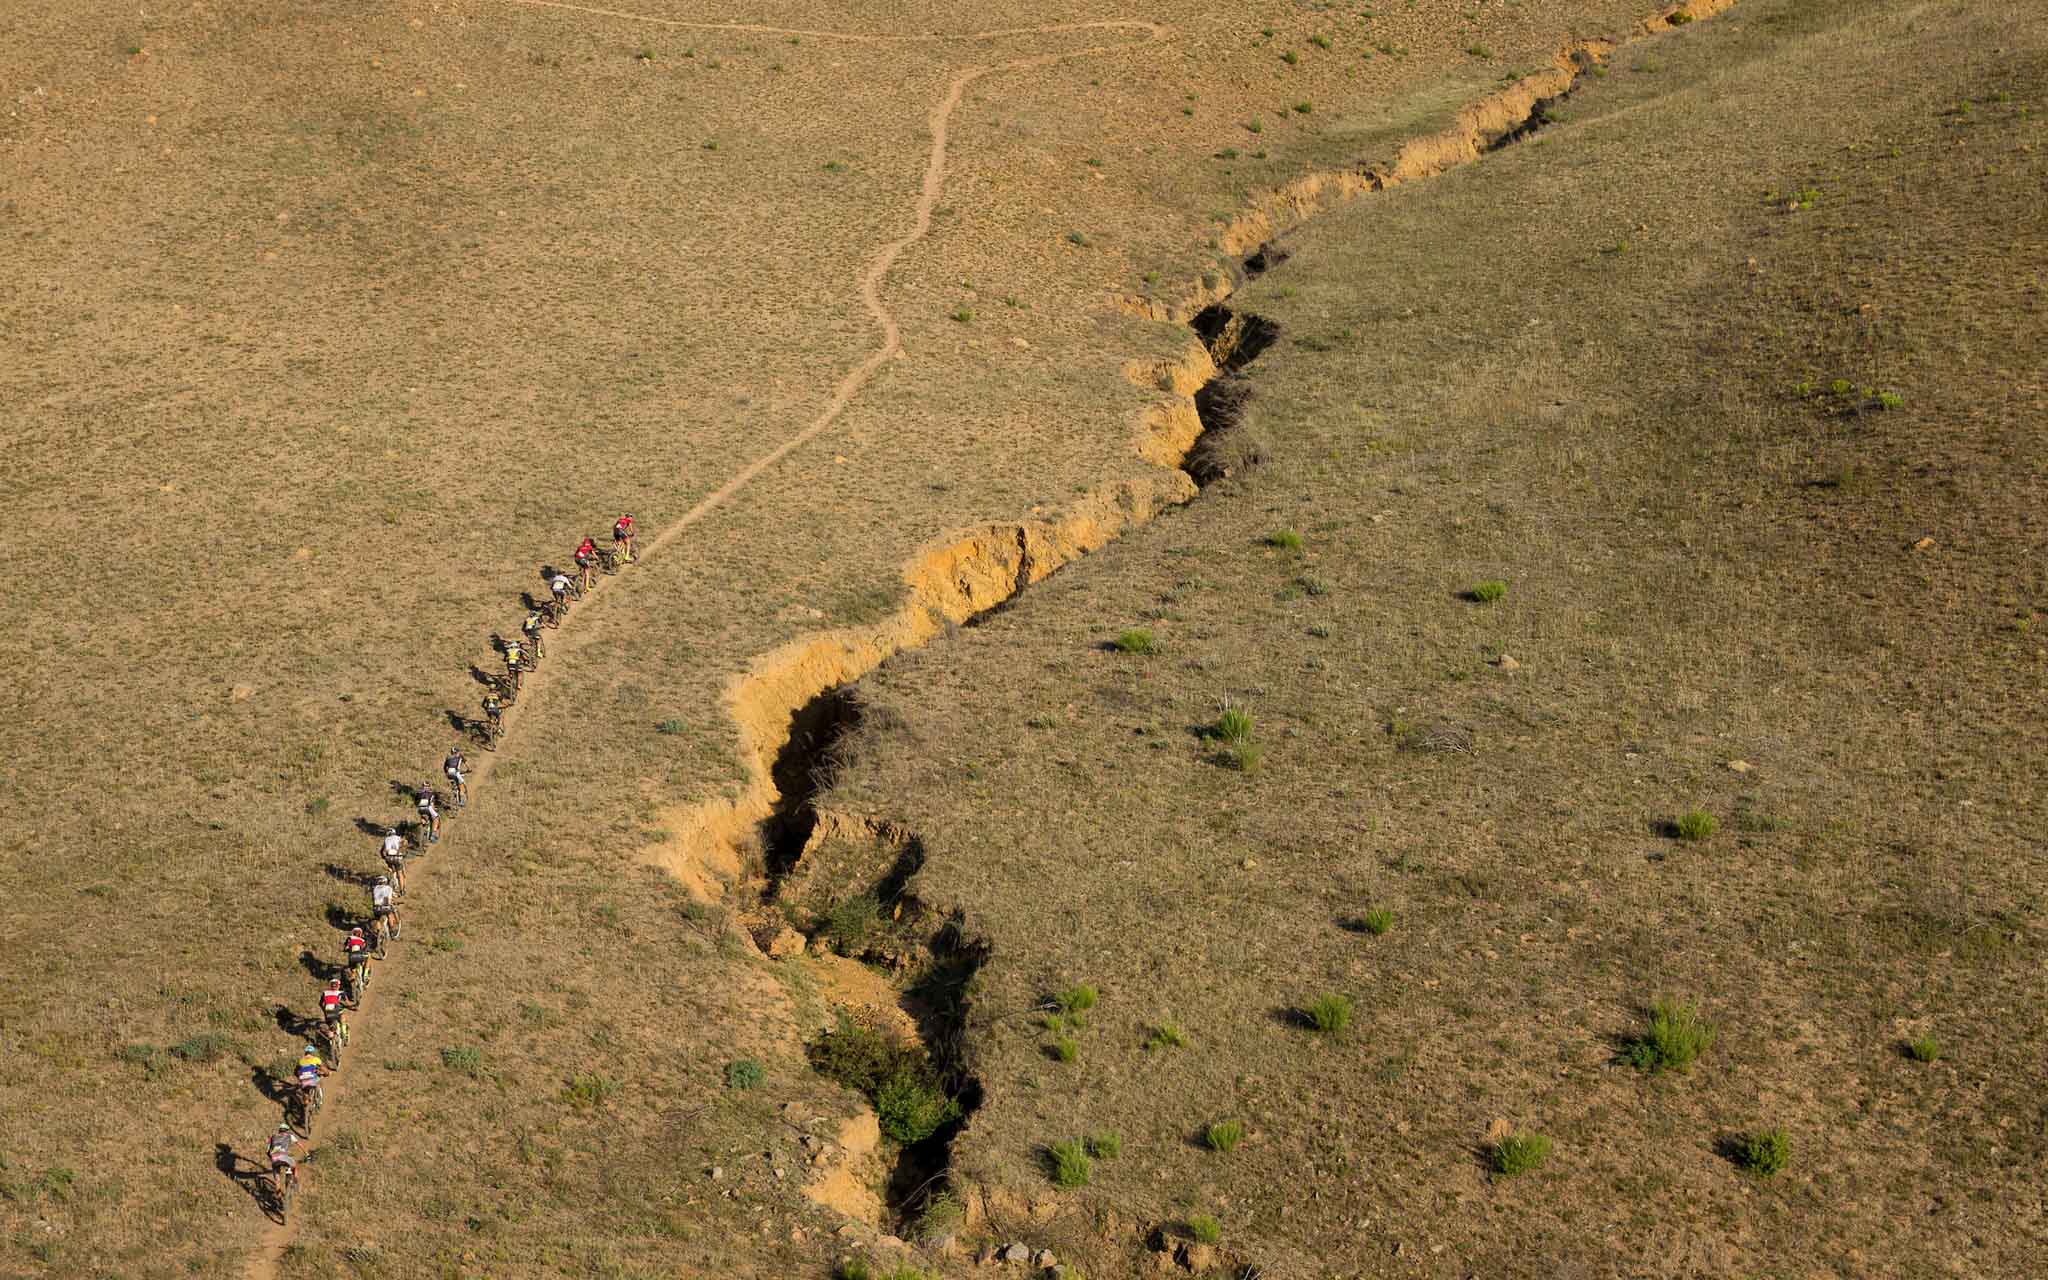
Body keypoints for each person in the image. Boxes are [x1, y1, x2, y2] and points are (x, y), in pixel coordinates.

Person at [294, 1042, 330, 1114]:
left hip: (303, 1080)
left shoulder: (300, 1060)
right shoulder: (315, 1059)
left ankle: (306, 1105)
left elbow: (296, 1071)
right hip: (312, 1079)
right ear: (312, 1053)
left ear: (305, 1053)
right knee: (318, 1081)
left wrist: (299, 1077)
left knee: (305, 1091)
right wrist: (327, 1073)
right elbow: (323, 1068)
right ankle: (319, 1100)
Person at [268, 1124, 302, 1190]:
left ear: (279, 1130)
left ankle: (279, 1197)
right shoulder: (289, 1136)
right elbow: (299, 1144)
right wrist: (307, 1154)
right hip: (284, 1158)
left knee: (277, 1182)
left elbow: (267, 1151)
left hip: (274, 1160)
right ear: (287, 1130)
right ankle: (295, 1182)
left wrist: (271, 1158)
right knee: (294, 1166)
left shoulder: (272, 1137)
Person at [371, 876, 398, 951]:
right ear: (385, 882)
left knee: (378, 919)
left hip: (376, 908)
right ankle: (392, 931)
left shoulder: (375, 888)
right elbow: (388, 899)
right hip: (385, 907)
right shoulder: (388, 888)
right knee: (390, 914)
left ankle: (379, 934)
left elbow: (374, 899)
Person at [343, 927, 372, 997]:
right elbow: (364, 948)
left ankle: (351, 986)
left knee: (353, 970)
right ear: (360, 934)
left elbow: (345, 948)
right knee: (369, 956)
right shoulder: (362, 940)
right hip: (360, 956)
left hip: (351, 957)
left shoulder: (349, 938)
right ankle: (365, 975)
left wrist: (347, 949)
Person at [317, 976, 347, 1043]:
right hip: (337, 1011)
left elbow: (320, 1003)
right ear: (338, 986)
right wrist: (352, 1007)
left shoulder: (325, 993)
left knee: (331, 1027)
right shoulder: (341, 993)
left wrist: (324, 1010)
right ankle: (344, 1034)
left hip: (327, 1013)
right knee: (343, 1017)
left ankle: (331, 1040)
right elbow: (347, 1003)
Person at [380, 829, 406, 893]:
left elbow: (381, 851)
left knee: (391, 870)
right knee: (400, 873)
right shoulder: (398, 838)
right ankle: (402, 890)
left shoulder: (386, 839)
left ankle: (393, 885)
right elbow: (404, 843)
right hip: (398, 857)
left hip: (389, 857)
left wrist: (384, 857)